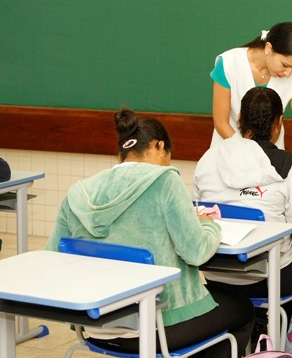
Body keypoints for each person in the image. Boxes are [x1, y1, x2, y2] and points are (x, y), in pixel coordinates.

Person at [45, 108, 254, 357]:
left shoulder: (78, 193)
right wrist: (208, 225)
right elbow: (196, 252)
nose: (167, 163)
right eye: (168, 156)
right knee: (242, 309)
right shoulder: (165, 181)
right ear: (159, 146)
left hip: (95, 326)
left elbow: (52, 258)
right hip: (158, 327)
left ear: (122, 152)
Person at [195, 87, 292, 299]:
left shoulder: (208, 159)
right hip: (268, 277)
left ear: (239, 119)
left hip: (216, 274)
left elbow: (199, 213)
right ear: (278, 124)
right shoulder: (286, 165)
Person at [210, 21, 292, 196]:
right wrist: (250, 154)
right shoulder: (230, 63)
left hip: (269, 164)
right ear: (269, 48)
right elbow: (220, 122)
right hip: (228, 157)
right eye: (285, 65)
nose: (289, 73)